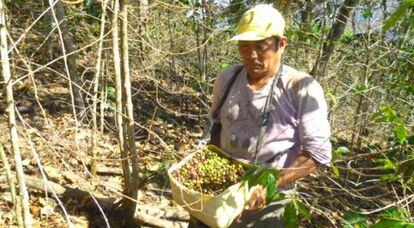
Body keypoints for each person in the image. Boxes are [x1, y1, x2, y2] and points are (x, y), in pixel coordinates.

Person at [200, 4, 332, 227]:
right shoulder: (228, 78)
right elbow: (215, 125)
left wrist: (270, 186)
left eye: (261, 47)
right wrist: (205, 166)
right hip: (222, 187)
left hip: (270, 196)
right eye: (244, 47)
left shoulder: (300, 88)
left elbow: (317, 153)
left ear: (281, 44)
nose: (251, 55)